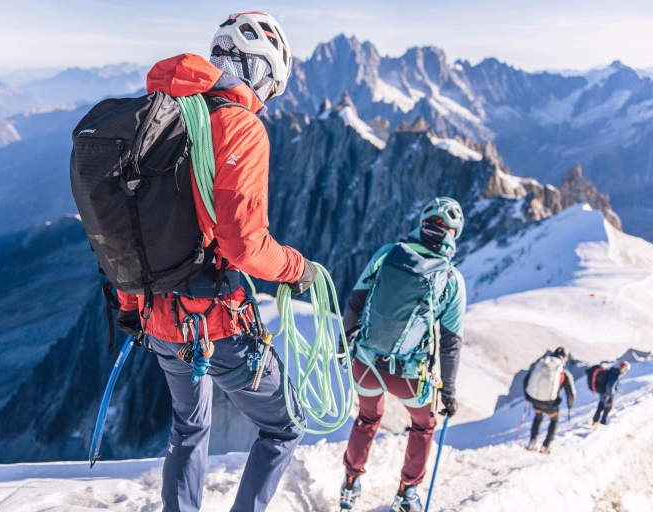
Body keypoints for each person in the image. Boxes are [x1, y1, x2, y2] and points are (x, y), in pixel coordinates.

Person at [114, 13, 316, 512]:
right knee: (284, 425)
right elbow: (245, 245)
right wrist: (297, 268)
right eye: (270, 85)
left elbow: (126, 228)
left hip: (156, 316)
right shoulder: (240, 127)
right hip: (218, 322)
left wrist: (130, 304)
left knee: (188, 425)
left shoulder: (158, 118)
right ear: (259, 72)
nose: (267, 100)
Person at [339, 197, 467, 512]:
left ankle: (350, 485)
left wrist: (344, 346)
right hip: (409, 376)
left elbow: (355, 303)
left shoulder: (387, 253)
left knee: (368, 417)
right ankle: (406, 493)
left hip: (366, 364)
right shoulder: (451, 279)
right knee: (423, 425)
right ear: (453, 231)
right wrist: (448, 390)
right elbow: (450, 342)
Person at [524, 347, 576, 455]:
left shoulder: (542, 365)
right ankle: (545, 446)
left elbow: (527, 380)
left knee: (538, 418)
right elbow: (570, 392)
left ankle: (532, 442)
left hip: (535, 401)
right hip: (550, 404)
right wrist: (570, 405)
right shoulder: (563, 373)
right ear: (564, 358)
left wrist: (528, 397)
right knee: (554, 421)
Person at [591, 361, 630, 426]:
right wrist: (611, 395)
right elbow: (610, 386)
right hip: (608, 394)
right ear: (620, 368)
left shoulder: (612, 371)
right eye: (623, 369)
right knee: (607, 409)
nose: (624, 371)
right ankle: (603, 424)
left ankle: (594, 422)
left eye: (625, 370)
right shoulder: (616, 375)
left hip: (603, 392)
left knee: (600, 407)